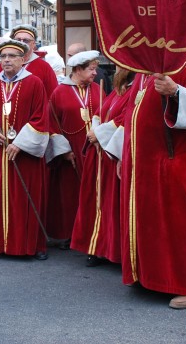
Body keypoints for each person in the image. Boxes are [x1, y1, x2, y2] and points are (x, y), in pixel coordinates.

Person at [119, 60, 186, 309]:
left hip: (175, 160)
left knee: (180, 223)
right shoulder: (142, 71)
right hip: (144, 163)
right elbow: (132, 117)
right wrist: (124, 156)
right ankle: (152, 276)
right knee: (151, 223)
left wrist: (176, 91)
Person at [0, 39, 51, 260]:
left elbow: (41, 118)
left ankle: (30, 246)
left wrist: (20, 143)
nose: (6, 60)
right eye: (3, 57)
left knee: (25, 199)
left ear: (23, 60)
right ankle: (1, 244)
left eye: (12, 56)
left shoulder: (34, 83)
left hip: (24, 156)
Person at [72, 66, 134, 267]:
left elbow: (126, 121)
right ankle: (96, 247)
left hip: (111, 155)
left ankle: (112, 249)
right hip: (99, 156)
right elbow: (100, 112)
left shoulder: (133, 92)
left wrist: (99, 134)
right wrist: (95, 129)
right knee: (97, 203)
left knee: (111, 205)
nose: (117, 69)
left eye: (121, 66)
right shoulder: (117, 90)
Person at [47, 50, 104, 249]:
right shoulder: (59, 92)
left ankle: (93, 233)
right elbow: (52, 123)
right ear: (78, 70)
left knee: (95, 192)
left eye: (95, 69)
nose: (95, 73)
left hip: (96, 150)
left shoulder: (98, 89)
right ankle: (71, 234)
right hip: (71, 150)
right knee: (71, 194)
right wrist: (64, 151)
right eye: (91, 69)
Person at [10, 25, 58, 97]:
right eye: (18, 40)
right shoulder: (4, 66)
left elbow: (53, 97)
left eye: (26, 40)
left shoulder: (44, 67)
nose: (21, 43)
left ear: (33, 44)